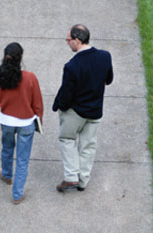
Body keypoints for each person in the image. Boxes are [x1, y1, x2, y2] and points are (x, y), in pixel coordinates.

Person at [52, 24, 113, 192]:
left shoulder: (72, 66)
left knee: (67, 139)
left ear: (77, 40)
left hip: (75, 112)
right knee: (88, 146)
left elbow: (66, 94)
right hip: (95, 111)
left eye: (68, 40)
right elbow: (108, 80)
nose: (67, 43)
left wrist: (60, 107)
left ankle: (71, 176)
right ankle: (83, 180)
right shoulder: (105, 56)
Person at [0, 42, 43, 204]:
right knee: (22, 159)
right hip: (26, 123)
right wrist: (39, 119)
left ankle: (6, 174)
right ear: (21, 58)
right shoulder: (30, 78)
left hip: (7, 122)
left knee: (7, 148)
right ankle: (17, 194)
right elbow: (37, 103)